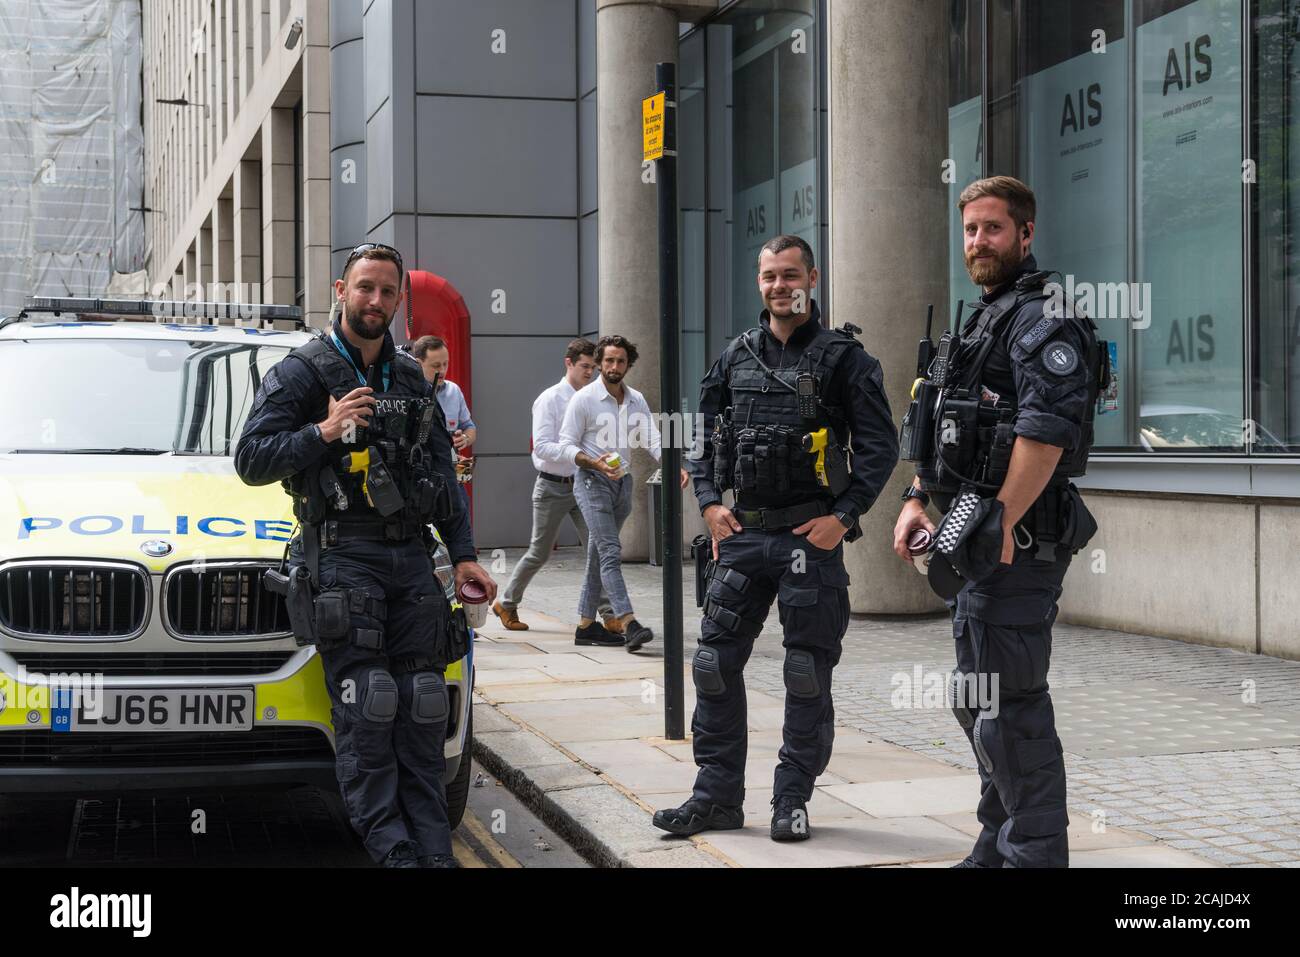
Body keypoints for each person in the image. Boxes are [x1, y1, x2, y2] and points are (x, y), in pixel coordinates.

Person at [235, 243, 497, 869]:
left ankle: (433, 851)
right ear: (341, 290)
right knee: (369, 701)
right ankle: (391, 847)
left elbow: (439, 473)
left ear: (400, 299)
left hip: (411, 558)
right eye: (364, 288)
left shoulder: (411, 375)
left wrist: (463, 555)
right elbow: (251, 459)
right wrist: (323, 431)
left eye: (386, 291)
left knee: (425, 701)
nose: (374, 301)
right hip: (343, 557)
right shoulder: (304, 370)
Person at [653, 235, 898, 842]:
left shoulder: (845, 359)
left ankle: (792, 798)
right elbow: (701, 436)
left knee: (804, 672)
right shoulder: (736, 356)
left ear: (811, 278)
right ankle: (715, 798)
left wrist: (844, 516)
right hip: (742, 534)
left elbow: (880, 446)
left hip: (808, 540)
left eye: (790, 275)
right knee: (712, 665)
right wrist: (708, 503)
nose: (779, 286)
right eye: (769, 277)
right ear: (758, 282)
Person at [892, 175, 1102, 868]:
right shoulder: (984, 316)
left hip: (1019, 540)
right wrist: (917, 496)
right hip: (974, 531)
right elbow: (945, 424)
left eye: (993, 228)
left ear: (1026, 234)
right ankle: (998, 839)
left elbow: (1043, 436)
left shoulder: (1047, 315)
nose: (978, 241)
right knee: (975, 698)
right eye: (971, 230)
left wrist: (999, 524)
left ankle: (1035, 856)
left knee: (1009, 709)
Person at [557, 334, 688, 652]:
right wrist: (594, 463)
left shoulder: (635, 400)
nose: (614, 366)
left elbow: (652, 438)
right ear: (600, 362)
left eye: (621, 361)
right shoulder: (584, 399)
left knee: (598, 555)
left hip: (622, 484)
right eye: (609, 360)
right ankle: (628, 622)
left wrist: (673, 466)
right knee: (611, 551)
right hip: (591, 481)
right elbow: (565, 445)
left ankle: (586, 626)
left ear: (628, 364)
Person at [492, 338, 617, 637]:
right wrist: (579, 455)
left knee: (598, 548)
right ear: (569, 363)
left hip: (585, 484)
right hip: (552, 486)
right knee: (539, 552)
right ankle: (506, 603)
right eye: (585, 366)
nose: (590, 372)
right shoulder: (550, 399)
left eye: (594, 368)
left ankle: (609, 614)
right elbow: (544, 448)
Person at [412, 335, 477, 453]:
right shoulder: (409, 392)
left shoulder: (454, 390)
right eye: (436, 366)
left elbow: (469, 427)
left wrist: (465, 438)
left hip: (448, 465)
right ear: (418, 364)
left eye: (445, 364)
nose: (442, 370)